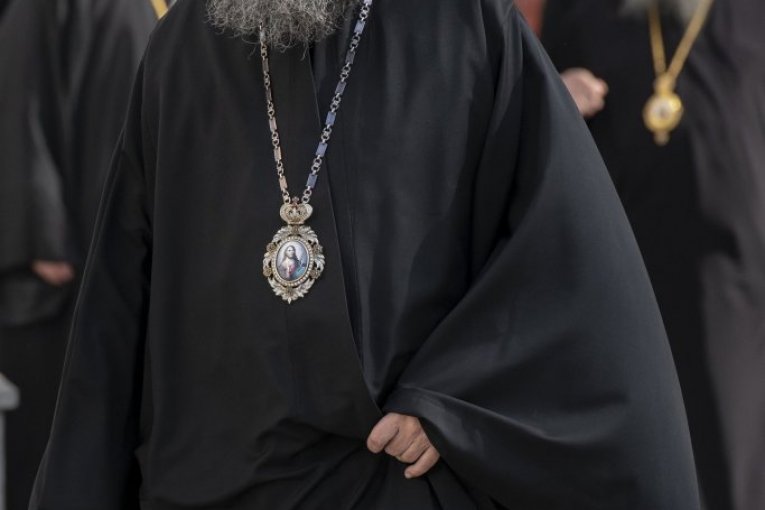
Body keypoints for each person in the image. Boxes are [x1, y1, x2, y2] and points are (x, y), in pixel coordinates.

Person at [30, 0, 700, 508]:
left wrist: (451, 398)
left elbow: (560, 252)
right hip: (212, 477)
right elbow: (125, 288)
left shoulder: (463, 23)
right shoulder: (184, 42)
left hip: (396, 472)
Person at [541, 1, 765, 509]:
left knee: (731, 460)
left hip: (736, 285)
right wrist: (555, 92)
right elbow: (533, 118)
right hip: (619, 283)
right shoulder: (580, 10)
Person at [0, 1, 165, 508]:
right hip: (61, 280)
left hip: (126, 269)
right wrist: (43, 238)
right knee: (51, 459)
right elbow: (19, 99)